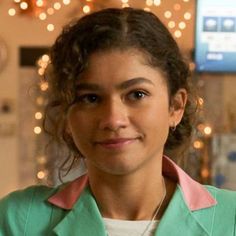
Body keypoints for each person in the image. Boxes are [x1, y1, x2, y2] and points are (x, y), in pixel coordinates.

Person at [0, 7, 236, 236]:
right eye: (90, 98)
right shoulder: (18, 219)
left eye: (137, 94)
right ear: (66, 115)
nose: (113, 119)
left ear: (175, 107)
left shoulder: (230, 219)